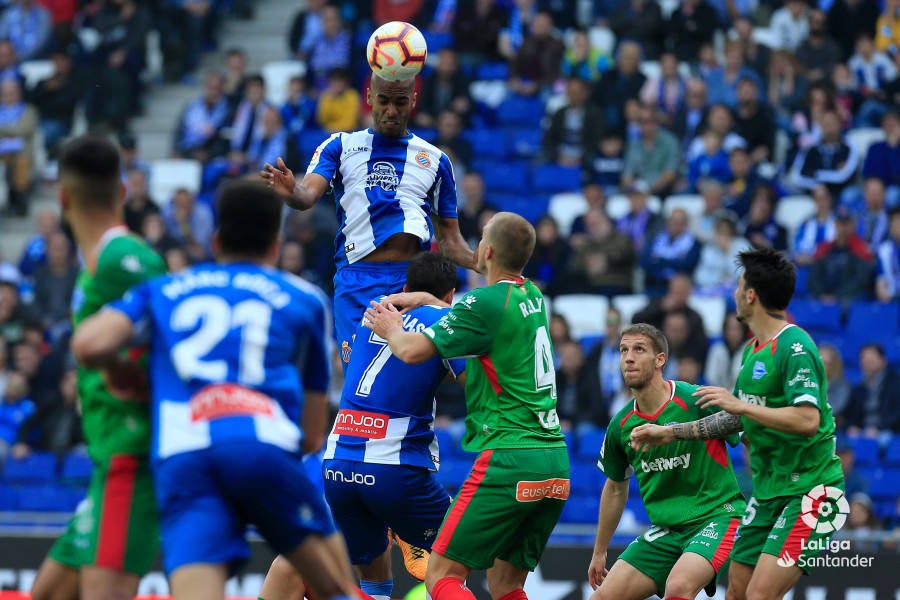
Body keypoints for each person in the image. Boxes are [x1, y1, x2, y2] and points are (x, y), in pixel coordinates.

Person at [70, 180, 361, 600]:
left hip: (185, 457)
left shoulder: (164, 289)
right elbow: (312, 435)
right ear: (276, 245)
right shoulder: (306, 299)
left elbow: (87, 344)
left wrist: (121, 372)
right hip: (263, 449)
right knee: (335, 586)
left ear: (215, 240)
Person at [364, 211, 570, 600]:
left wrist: (391, 328)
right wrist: (429, 300)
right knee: (506, 584)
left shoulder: (481, 301)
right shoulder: (532, 295)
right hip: (554, 463)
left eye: (482, 238)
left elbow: (410, 351)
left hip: (509, 457)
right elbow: (482, 319)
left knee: (441, 574)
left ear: (487, 251)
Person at [630, 247, 846, 600]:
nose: (734, 293)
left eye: (739, 286)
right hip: (769, 492)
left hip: (814, 493)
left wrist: (740, 406)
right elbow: (736, 420)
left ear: (751, 296)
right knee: (737, 593)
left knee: (759, 595)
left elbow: (808, 419)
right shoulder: (751, 350)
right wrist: (670, 432)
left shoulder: (795, 346)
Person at [260, 252, 464, 600]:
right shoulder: (446, 320)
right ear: (450, 295)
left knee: (369, 567)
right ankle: (409, 534)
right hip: (395, 468)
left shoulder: (375, 313)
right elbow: (472, 378)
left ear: (405, 288)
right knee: (459, 555)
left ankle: (396, 536)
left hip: (339, 463)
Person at [29, 135, 168, 600]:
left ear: (63, 198)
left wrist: (125, 372)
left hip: (130, 459)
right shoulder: (98, 263)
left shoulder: (125, 260)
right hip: (106, 459)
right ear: (122, 191)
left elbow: (167, 347)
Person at [261, 73, 474, 370]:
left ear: (413, 101)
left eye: (400, 102)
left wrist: (488, 263)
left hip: (410, 282)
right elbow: (306, 195)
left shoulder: (436, 159)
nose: (391, 110)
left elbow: (450, 241)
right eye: (384, 100)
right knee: (358, 375)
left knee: (409, 376)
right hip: (356, 280)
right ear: (370, 97)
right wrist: (291, 192)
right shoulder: (340, 145)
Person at [588, 323, 745, 600]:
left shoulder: (695, 399)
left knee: (678, 587)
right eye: (623, 350)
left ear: (660, 359)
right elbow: (615, 488)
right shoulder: (620, 425)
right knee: (601, 598)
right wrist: (600, 551)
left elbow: (744, 423)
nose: (628, 358)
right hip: (666, 531)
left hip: (717, 516)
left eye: (639, 349)